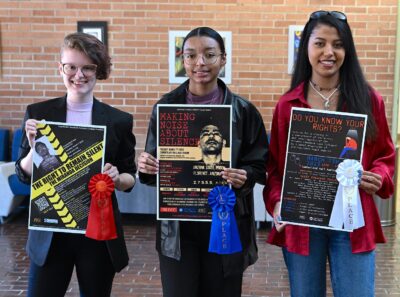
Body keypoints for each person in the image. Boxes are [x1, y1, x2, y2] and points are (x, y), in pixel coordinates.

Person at [264, 10, 395, 297]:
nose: (329, 52)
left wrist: (380, 177)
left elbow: (386, 155)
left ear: (347, 49)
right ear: (306, 48)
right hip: (302, 222)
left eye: (338, 44)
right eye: (320, 43)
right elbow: (275, 169)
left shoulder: (369, 99)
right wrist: (276, 203)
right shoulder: (288, 105)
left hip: (353, 220)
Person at [138, 27, 268, 297]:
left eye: (209, 55)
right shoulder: (165, 107)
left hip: (226, 224)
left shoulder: (244, 112)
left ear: (223, 59)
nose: (200, 63)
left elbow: (259, 166)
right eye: (191, 55)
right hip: (178, 230)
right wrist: (147, 167)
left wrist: (244, 175)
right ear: (182, 60)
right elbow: (152, 171)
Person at [15, 32, 136, 297]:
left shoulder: (119, 120)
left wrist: (117, 178)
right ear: (60, 68)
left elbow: (130, 177)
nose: (78, 75)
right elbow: (23, 176)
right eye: (71, 66)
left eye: (87, 68)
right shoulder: (39, 115)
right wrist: (32, 151)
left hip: (97, 234)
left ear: (98, 70)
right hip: (50, 231)